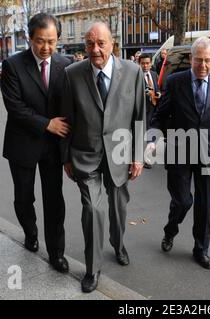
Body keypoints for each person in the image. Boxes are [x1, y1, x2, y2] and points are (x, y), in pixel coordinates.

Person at [61, 22, 145, 293]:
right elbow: (67, 120)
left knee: (118, 209)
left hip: (121, 155)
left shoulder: (133, 72)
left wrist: (138, 156)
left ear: (112, 44)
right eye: (89, 44)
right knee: (93, 210)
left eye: (101, 43)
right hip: (86, 157)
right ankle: (92, 268)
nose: (95, 49)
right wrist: (66, 158)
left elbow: (140, 117)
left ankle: (118, 244)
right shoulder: (72, 74)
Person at [147, 36, 210, 270]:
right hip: (179, 149)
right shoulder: (176, 82)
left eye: (207, 61)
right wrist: (152, 139)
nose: (203, 66)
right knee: (183, 201)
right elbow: (160, 115)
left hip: (209, 152)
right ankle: (170, 230)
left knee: (205, 205)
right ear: (190, 59)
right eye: (198, 60)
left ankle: (201, 249)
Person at [1, 13, 71, 273]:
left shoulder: (66, 65)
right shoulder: (13, 65)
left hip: (53, 147)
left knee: (54, 201)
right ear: (29, 38)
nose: (46, 48)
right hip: (23, 144)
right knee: (23, 198)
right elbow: (15, 108)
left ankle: (56, 253)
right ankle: (30, 233)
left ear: (58, 39)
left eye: (51, 41)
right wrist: (46, 124)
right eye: (40, 41)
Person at [140, 53, 161, 169]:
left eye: (147, 63)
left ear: (151, 63)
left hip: (154, 109)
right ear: (139, 64)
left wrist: (157, 94)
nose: (145, 66)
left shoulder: (153, 74)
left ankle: (147, 156)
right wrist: (144, 94)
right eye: (143, 63)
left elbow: (157, 89)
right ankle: (146, 159)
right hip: (142, 110)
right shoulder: (136, 75)